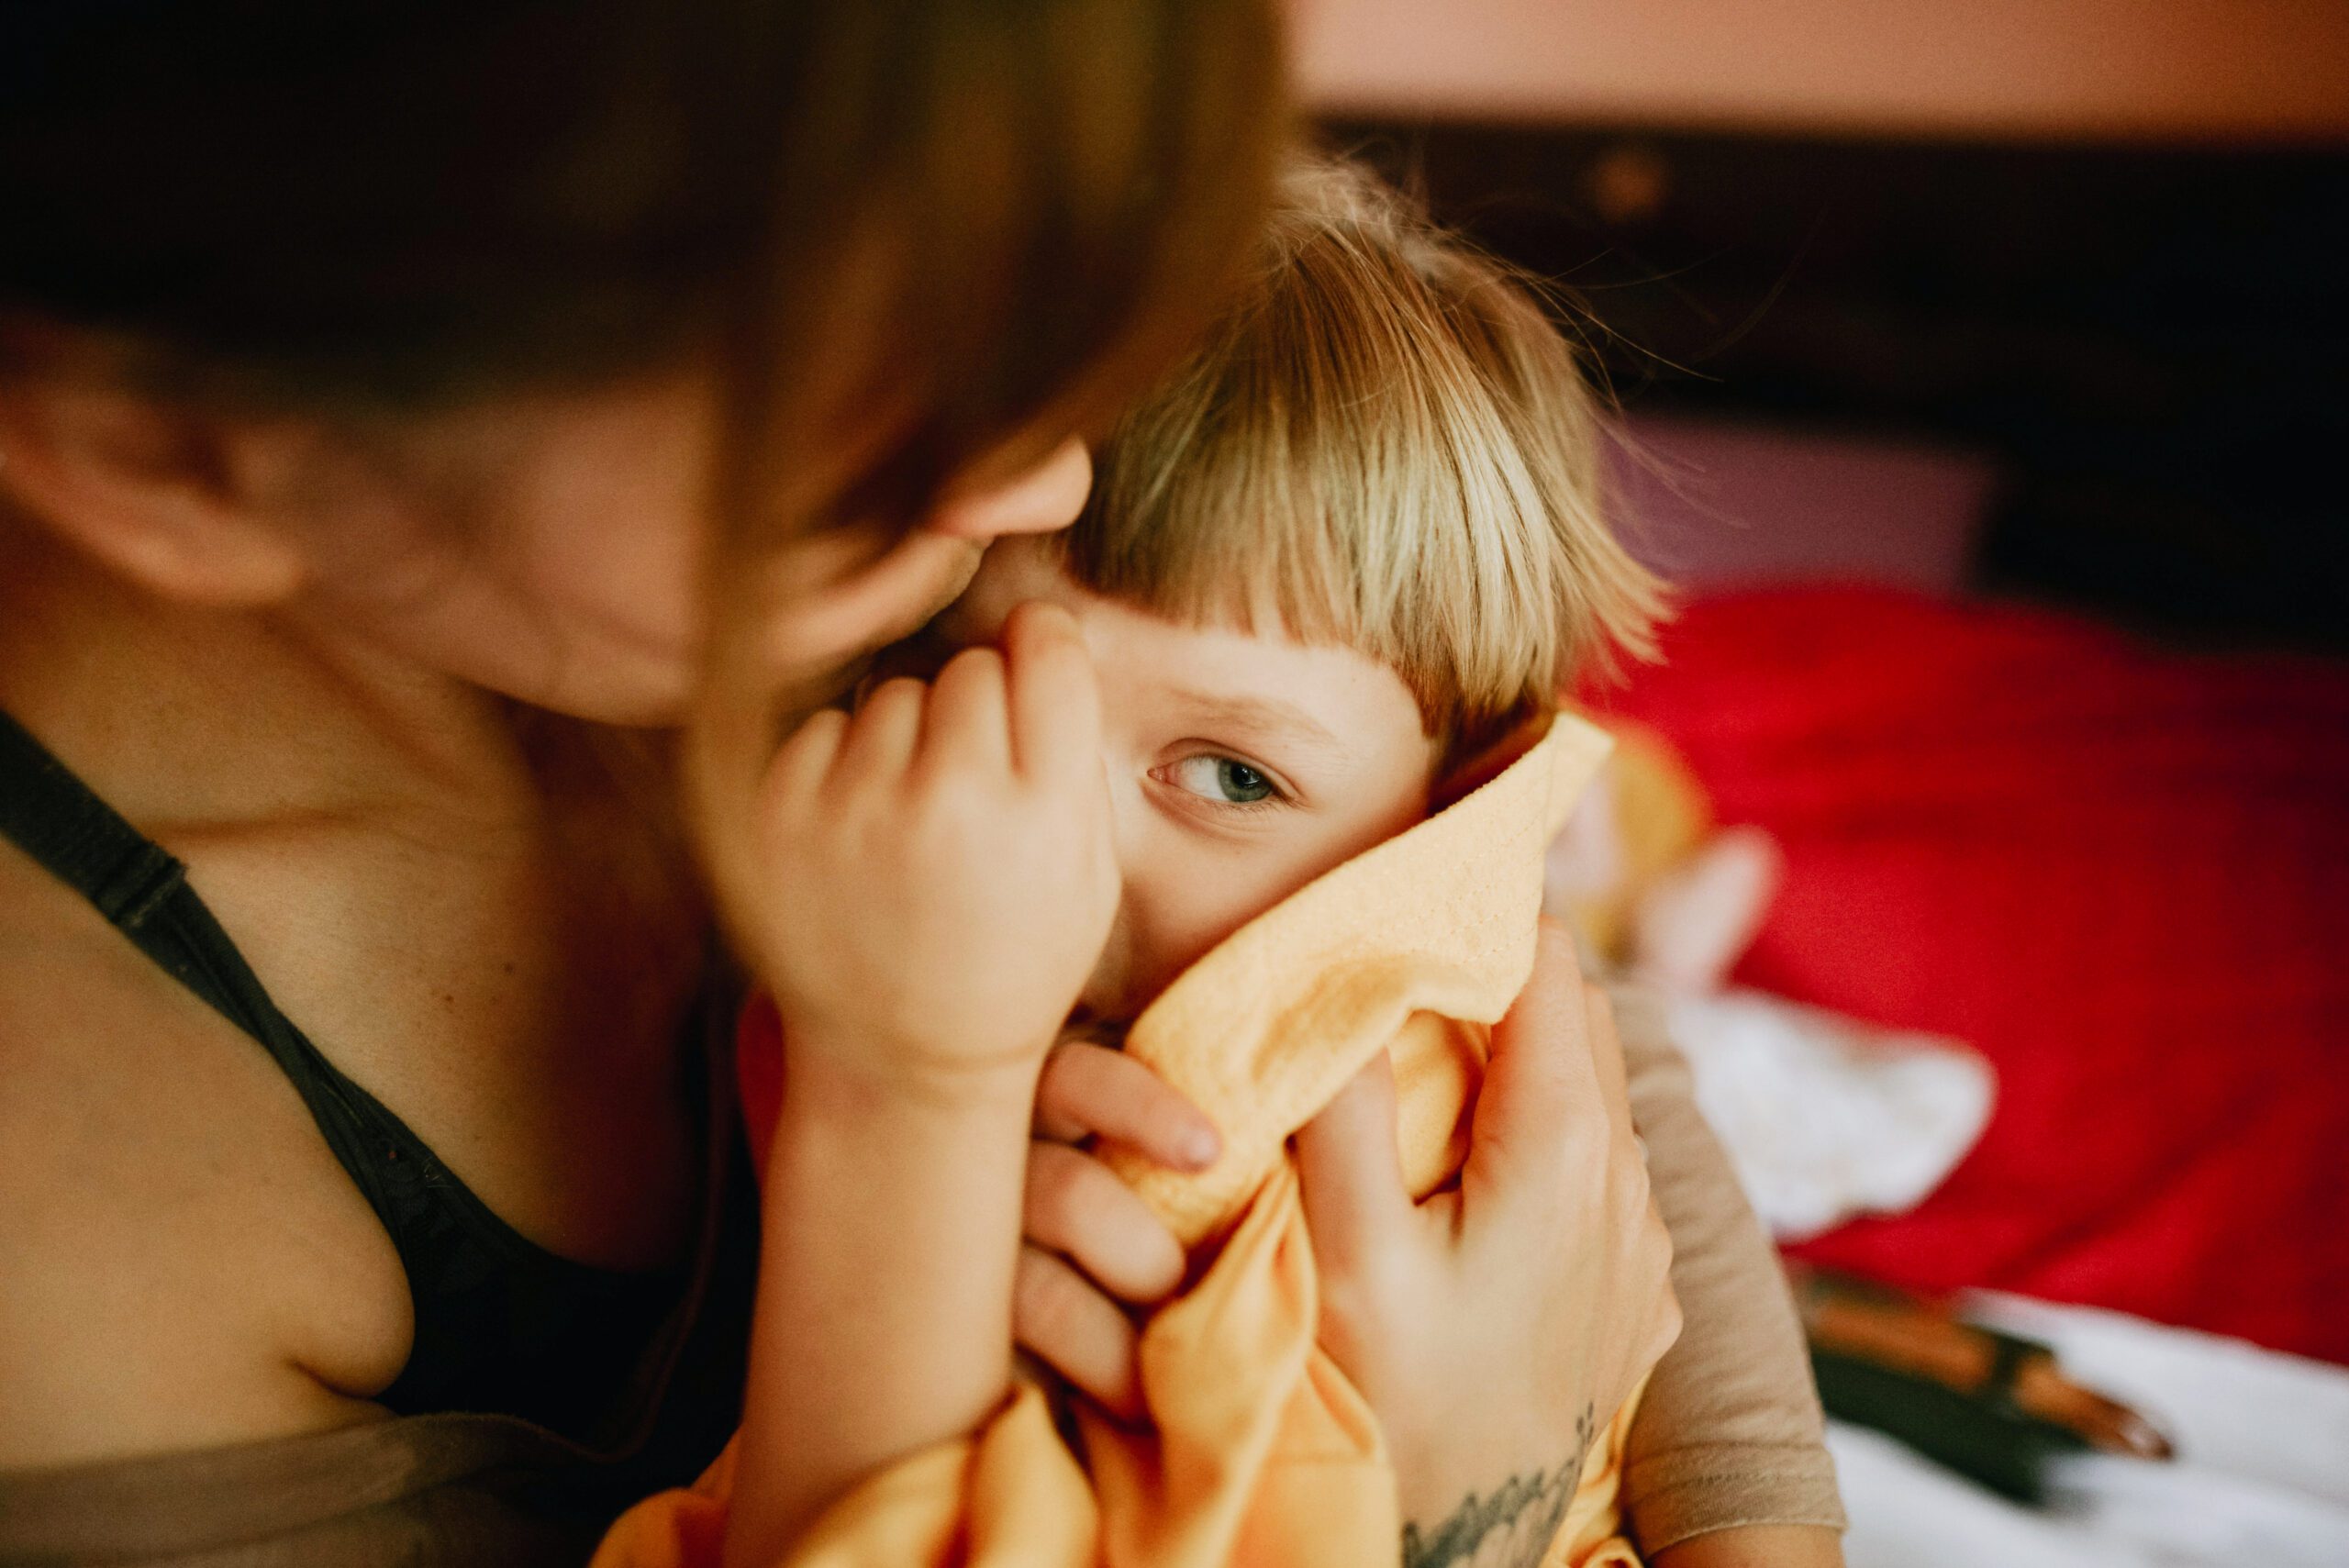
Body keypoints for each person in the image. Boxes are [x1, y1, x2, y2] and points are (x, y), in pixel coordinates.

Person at [0, 5, 1831, 1565]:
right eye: (868, 450)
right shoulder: (71, 1225)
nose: (1047, 488)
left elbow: (1508, 985)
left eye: (1059, 341)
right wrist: (1446, 1518)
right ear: (181, 450)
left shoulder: (895, 336)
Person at [607, 160, 1845, 1568]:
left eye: (1233, 775)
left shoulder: (1467, 1015)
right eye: (968, 693)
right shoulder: (806, 965)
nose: (1051, 845)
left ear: (1452, 813)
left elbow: (1673, 1224)